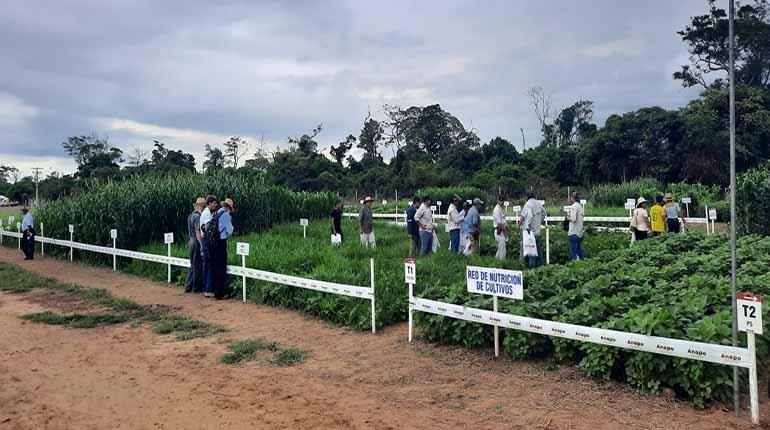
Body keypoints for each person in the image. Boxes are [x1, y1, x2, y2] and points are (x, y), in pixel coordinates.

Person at [212, 198, 235, 300]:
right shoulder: (226, 215)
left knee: (215, 266)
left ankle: (215, 290)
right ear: (229, 207)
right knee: (222, 267)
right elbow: (229, 231)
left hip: (213, 242)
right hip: (221, 242)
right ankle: (220, 293)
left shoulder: (216, 213)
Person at [183, 197, 205, 293]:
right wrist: (201, 245)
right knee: (197, 265)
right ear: (199, 206)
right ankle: (195, 287)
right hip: (195, 241)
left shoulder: (190, 215)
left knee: (192, 264)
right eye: (203, 206)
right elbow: (197, 232)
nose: (203, 209)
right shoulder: (197, 217)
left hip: (191, 241)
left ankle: (188, 285)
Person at [520, 192, 546, 267]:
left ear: (527, 197)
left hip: (530, 232)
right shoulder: (538, 203)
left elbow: (529, 216)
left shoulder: (528, 204)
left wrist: (528, 226)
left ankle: (532, 269)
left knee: (531, 251)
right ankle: (541, 267)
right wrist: (540, 221)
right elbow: (544, 213)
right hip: (537, 231)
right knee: (538, 251)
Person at [200, 195, 218, 297]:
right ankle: (208, 289)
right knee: (210, 265)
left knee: (206, 266)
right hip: (207, 241)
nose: (216, 205)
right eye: (214, 203)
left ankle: (205, 288)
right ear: (210, 203)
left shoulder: (205, 213)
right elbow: (207, 227)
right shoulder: (207, 214)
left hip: (204, 241)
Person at [566, 192, 585, 260]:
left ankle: (574, 263)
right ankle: (582, 263)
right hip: (579, 232)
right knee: (579, 251)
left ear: (572, 198)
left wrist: (567, 217)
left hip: (573, 232)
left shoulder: (574, 206)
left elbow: (573, 219)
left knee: (573, 253)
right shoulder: (580, 206)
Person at [492, 195, 508, 260]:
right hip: (499, 231)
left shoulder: (501, 209)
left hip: (502, 230)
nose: (501, 202)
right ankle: (502, 262)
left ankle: (497, 260)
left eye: (502, 200)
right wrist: (505, 231)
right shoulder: (496, 210)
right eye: (500, 200)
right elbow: (499, 224)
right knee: (502, 249)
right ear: (497, 200)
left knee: (500, 248)